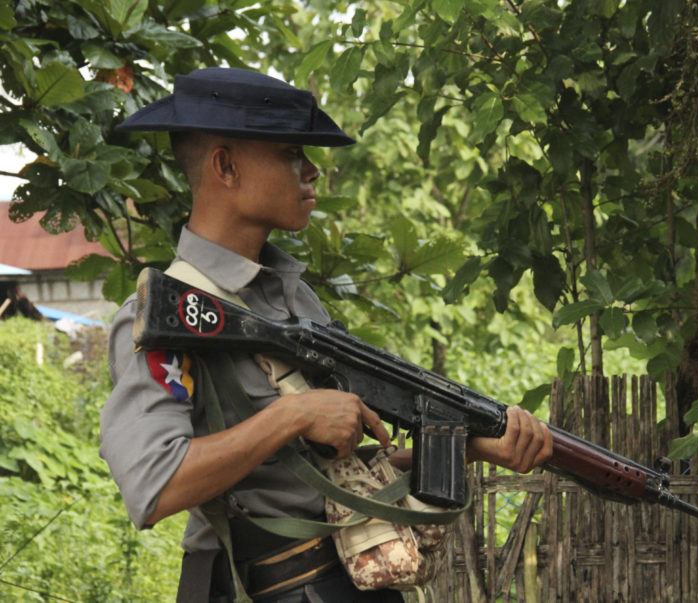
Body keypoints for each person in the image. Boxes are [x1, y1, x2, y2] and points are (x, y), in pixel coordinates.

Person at [99, 67, 553, 602]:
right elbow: (153, 486)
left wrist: (467, 447)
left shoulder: (294, 299)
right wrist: (292, 415)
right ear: (225, 166)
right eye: (291, 152)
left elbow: (330, 477)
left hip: (351, 581)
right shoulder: (172, 313)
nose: (312, 170)